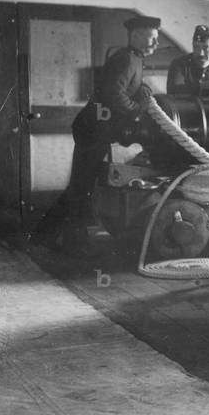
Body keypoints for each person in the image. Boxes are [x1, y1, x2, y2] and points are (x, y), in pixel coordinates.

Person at [30, 15, 161, 252]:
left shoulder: (133, 59)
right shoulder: (127, 60)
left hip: (95, 129)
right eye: (152, 38)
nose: (156, 44)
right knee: (80, 187)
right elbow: (115, 96)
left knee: (82, 186)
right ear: (137, 35)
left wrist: (142, 90)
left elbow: (124, 90)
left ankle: (64, 239)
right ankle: (46, 237)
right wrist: (137, 108)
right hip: (94, 130)